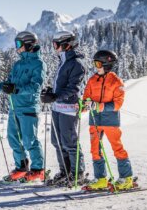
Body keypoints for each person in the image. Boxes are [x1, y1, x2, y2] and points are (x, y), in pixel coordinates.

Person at [0, 31, 46, 182]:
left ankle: (38, 169)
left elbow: (36, 87)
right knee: (13, 139)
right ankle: (22, 168)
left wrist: (17, 90)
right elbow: (9, 84)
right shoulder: (18, 64)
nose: (16, 47)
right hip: (14, 107)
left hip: (28, 108)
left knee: (29, 140)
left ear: (28, 44)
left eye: (18, 44)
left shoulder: (39, 64)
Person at [82, 49, 134, 190]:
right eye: (94, 63)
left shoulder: (116, 81)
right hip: (95, 120)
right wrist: (83, 105)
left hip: (110, 120)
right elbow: (86, 97)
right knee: (95, 150)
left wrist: (98, 106)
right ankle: (101, 179)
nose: (95, 66)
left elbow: (117, 104)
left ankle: (127, 177)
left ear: (106, 64)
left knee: (117, 147)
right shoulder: (92, 80)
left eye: (98, 63)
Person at [40, 31, 86, 186]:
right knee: (57, 141)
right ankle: (65, 171)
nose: (55, 48)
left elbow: (73, 88)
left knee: (69, 142)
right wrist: (50, 93)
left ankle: (77, 173)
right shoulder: (63, 61)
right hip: (57, 107)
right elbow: (61, 86)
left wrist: (55, 96)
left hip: (69, 108)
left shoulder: (76, 64)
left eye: (56, 44)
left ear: (66, 45)